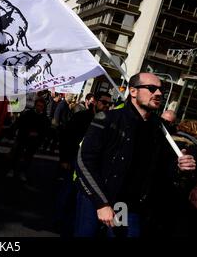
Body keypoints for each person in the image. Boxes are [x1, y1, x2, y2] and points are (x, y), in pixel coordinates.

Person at [75, 72, 196, 237]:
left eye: (161, 90)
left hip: (126, 206)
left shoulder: (159, 129)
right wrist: (101, 203)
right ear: (133, 91)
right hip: (96, 200)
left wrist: (179, 166)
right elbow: (84, 160)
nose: (159, 94)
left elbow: (162, 170)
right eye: (152, 89)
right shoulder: (107, 119)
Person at [55, 92, 112, 237]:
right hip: (73, 161)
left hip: (90, 168)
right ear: (95, 102)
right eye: (103, 102)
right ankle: (58, 221)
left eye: (109, 104)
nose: (106, 106)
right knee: (67, 192)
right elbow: (66, 137)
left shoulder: (107, 121)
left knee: (82, 199)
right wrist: (64, 159)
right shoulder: (81, 117)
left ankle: (71, 224)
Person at [7, 97, 49, 182]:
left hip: (34, 142)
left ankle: (22, 172)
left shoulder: (45, 118)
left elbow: (45, 131)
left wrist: (39, 137)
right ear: (35, 105)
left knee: (28, 158)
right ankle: (12, 170)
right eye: (38, 105)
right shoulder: (28, 114)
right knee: (17, 155)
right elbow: (19, 124)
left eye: (41, 106)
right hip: (23, 139)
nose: (39, 108)